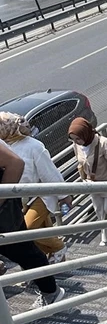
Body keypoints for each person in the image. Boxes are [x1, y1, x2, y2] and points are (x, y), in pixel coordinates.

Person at [0, 140, 66, 308]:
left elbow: (16, 163)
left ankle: (51, 292)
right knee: (19, 249)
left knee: (21, 249)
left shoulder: (33, 146)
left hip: (5, 210)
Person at [0, 112, 68, 264]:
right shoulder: (4, 146)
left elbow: (49, 172)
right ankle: (44, 264)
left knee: (28, 230)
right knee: (36, 232)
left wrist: (64, 196)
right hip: (20, 198)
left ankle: (58, 247)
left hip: (40, 195)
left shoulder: (34, 146)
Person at [69, 117, 107, 246]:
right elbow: (80, 162)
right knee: (100, 211)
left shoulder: (104, 143)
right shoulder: (76, 145)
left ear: (86, 133)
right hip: (92, 184)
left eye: (78, 138)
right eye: (73, 139)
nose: (76, 142)